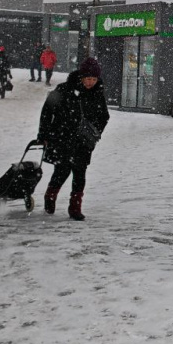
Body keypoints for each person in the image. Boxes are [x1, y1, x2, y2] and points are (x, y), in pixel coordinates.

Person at [38, 57, 109, 221]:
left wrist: (94, 133)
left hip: (84, 141)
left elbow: (104, 116)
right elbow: (47, 112)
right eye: (88, 78)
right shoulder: (65, 89)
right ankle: (50, 196)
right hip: (62, 137)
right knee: (61, 170)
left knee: (80, 173)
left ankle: (75, 207)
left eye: (94, 79)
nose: (90, 82)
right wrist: (43, 135)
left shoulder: (97, 93)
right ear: (81, 77)